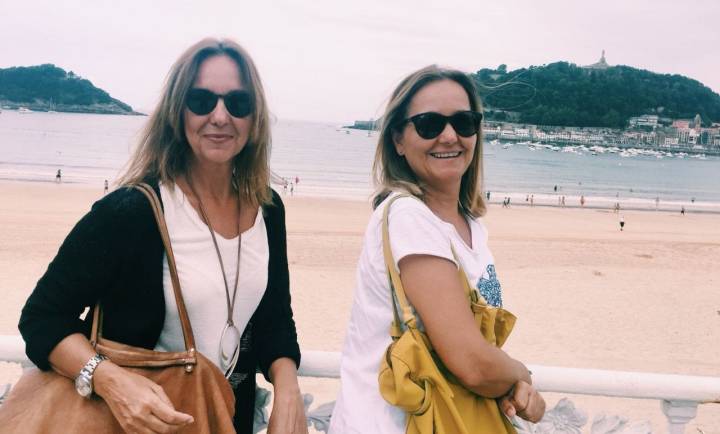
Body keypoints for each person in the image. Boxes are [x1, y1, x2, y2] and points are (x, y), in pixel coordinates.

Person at [18, 38, 306, 434]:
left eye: (238, 103)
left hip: (221, 419)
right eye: (201, 100)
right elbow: (41, 318)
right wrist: (107, 379)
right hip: (135, 423)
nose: (220, 116)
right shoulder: (131, 212)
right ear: (177, 111)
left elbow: (274, 316)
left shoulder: (268, 207)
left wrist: (287, 386)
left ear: (255, 118)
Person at [329, 65, 544, 433]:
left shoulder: (470, 227)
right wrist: (521, 375)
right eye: (429, 124)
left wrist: (501, 374)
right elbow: (472, 363)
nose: (449, 136)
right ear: (398, 139)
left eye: (464, 122)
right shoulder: (410, 218)